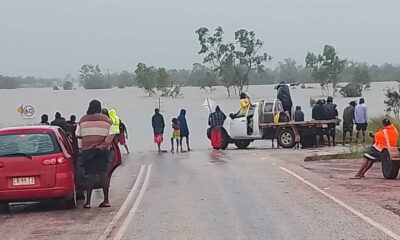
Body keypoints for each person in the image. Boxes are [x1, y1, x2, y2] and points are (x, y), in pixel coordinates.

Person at [75, 100, 116, 208]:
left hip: (88, 151)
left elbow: (77, 135)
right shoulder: (106, 119)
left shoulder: (82, 120)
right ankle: (106, 200)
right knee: (103, 174)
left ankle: (88, 202)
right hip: (102, 151)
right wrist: (104, 144)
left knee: (90, 175)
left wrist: (82, 148)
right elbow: (112, 133)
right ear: (99, 107)